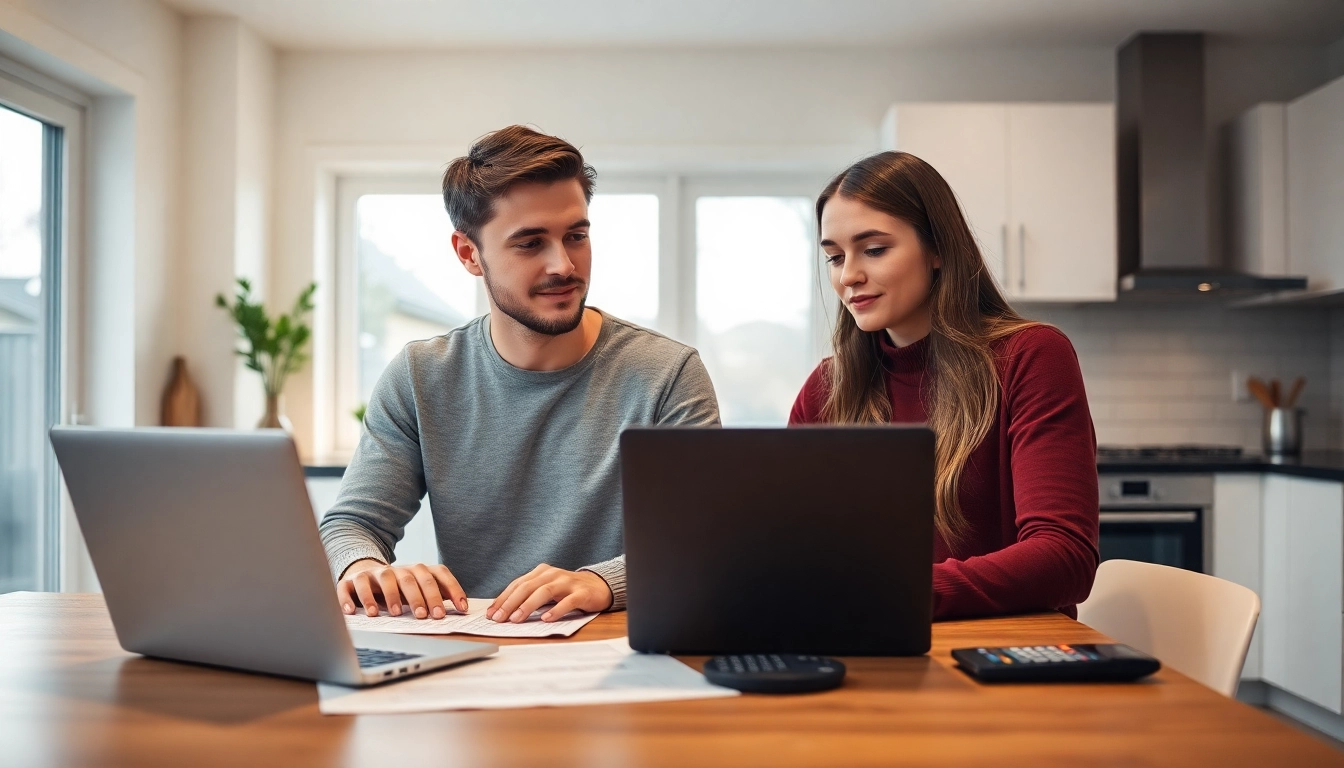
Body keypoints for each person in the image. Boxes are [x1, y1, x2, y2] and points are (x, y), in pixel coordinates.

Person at [320, 125, 719, 623]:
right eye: (531, 244)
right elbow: (352, 524)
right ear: (469, 254)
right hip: (476, 651)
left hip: (619, 651)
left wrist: (601, 582)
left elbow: (702, 539)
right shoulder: (421, 377)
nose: (564, 265)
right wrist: (364, 567)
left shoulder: (668, 374)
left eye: (576, 236)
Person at [789, 151, 1099, 620]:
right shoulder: (825, 389)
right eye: (834, 256)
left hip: (1001, 652)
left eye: (873, 250)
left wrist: (895, 593)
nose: (847, 275)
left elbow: (1064, 558)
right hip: (867, 642)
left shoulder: (1031, 357)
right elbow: (792, 548)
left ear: (937, 249)